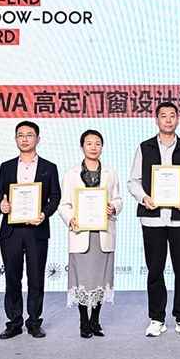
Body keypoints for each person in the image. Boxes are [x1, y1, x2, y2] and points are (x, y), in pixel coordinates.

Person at [128, 102, 180, 337]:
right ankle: (156, 318)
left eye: (172, 115)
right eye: (163, 116)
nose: (168, 120)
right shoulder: (145, 147)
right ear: (156, 120)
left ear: (178, 119)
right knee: (155, 271)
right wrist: (144, 198)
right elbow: (133, 181)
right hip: (152, 219)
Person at [0, 121, 61, 339]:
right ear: (15, 139)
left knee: (36, 278)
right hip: (11, 231)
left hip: (36, 230)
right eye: (20, 135)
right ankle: (13, 322)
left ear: (38, 139)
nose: (24, 139)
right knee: (12, 278)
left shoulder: (49, 167)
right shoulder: (6, 166)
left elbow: (55, 196)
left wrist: (44, 213)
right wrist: (1, 205)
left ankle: (34, 322)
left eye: (29, 135)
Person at [59, 129, 123, 338]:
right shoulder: (71, 174)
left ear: (102, 147)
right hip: (81, 233)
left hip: (103, 233)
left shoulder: (110, 173)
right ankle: (83, 322)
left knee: (100, 279)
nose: (93, 147)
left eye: (97, 143)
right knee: (82, 280)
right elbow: (64, 204)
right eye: (89, 143)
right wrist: (70, 218)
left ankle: (95, 321)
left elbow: (118, 199)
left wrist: (113, 207)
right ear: (82, 147)